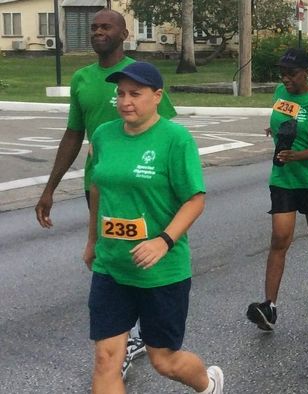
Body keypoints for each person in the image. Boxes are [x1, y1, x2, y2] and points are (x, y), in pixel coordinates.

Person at [34, 9, 177, 378]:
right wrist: (50, 188)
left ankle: (138, 336)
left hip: (143, 188)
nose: (98, 32)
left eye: (105, 26)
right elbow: (72, 134)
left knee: (140, 261)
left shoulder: (138, 76)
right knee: (108, 260)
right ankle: (122, 337)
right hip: (99, 188)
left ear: (124, 33)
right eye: (94, 27)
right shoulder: (82, 78)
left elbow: (166, 132)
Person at [85, 61, 222, 393]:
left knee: (164, 361)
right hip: (112, 265)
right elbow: (98, 189)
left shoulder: (175, 139)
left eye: (135, 93)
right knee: (106, 359)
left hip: (161, 270)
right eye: (120, 93)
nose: (125, 101)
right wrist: (92, 241)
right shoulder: (104, 135)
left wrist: (163, 241)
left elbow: (195, 200)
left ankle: (209, 383)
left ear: (157, 96)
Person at [245, 47, 308, 330]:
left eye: (292, 74)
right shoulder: (279, 94)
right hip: (283, 178)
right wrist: (276, 132)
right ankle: (269, 306)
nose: (286, 79)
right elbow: (283, 123)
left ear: (306, 72)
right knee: (280, 238)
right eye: (282, 74)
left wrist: (296, 155)